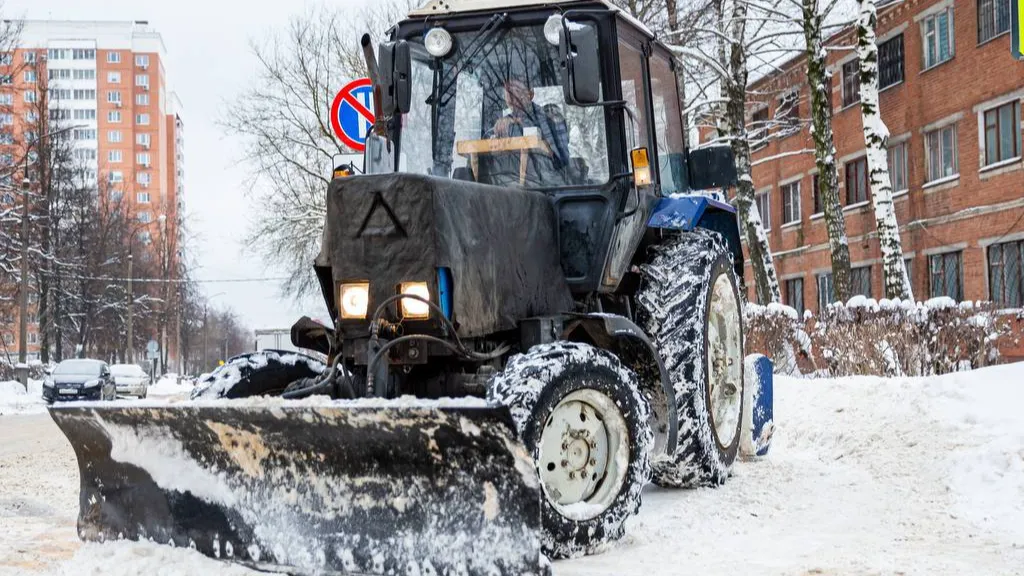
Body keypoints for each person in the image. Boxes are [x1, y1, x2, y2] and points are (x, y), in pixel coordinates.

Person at [492, 79, 571, 170]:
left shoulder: (550, 116)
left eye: (515, 90)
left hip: (549, 181)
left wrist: (520, 124)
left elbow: (562, 161)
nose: (510, 97)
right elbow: (492, 158)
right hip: (506, 181)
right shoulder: (505, 123)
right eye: (506, 92)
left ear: (530, 93)